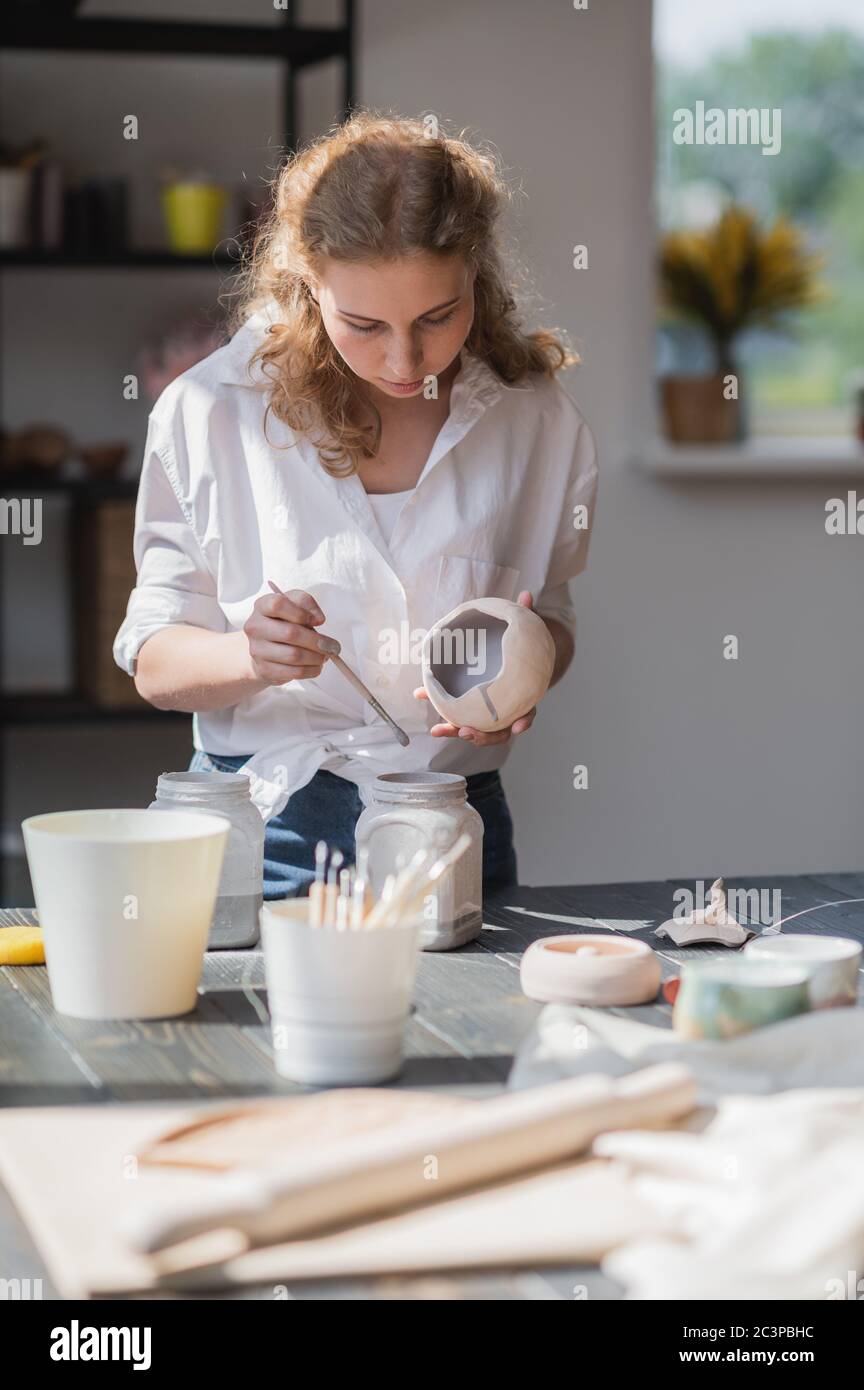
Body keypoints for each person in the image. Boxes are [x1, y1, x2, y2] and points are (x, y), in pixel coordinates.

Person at [114, 111, 599, 899]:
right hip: (265, 824)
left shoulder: (535, 420)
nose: (404, 360)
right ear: (308, 281)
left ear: (475, 272)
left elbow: (557, 619)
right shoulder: (212, 413)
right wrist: (250, 655)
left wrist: (528, 668)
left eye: (437, 317)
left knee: (470, 1028)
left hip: (452, 821)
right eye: (364, 324)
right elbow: (155, 660)